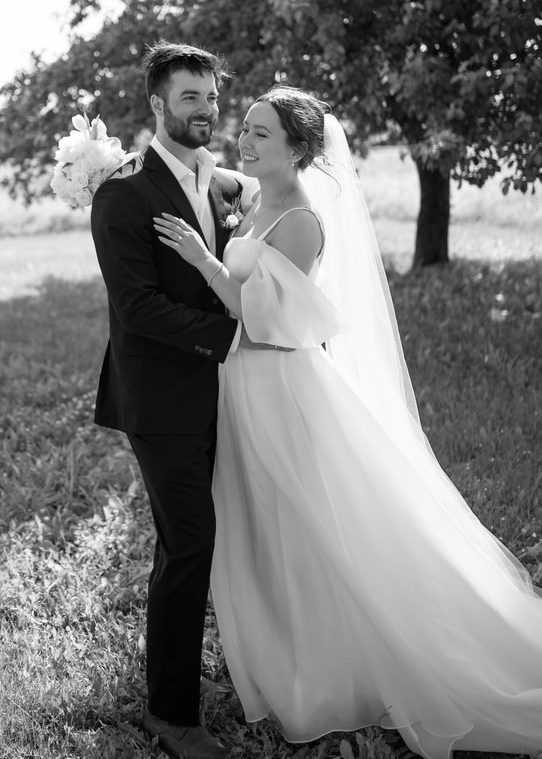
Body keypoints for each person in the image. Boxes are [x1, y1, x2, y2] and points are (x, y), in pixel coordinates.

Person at [154, 85, 542, 759]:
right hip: (242, 388)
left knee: (311, 526)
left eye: (261, 134)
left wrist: (202, 258)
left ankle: (341, 667)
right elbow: (236, 196)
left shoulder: (301, 221)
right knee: (268, 526)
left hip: (279, 386)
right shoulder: (256, 198)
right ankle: (297, 657)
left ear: (300, 148)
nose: (243, 139)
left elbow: (268, 322)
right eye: (244, 127)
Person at [90, 41, 254, 759]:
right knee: (190, 543)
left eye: (212, 98)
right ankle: (171, 712)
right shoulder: (124, 192)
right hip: (160, 400)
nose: (205, 111)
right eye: (190, 98)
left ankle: (223, 666)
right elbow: (137, 307)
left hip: (224, 396)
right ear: (156, 103)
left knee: (205, 538)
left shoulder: (213, 177)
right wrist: (233, 333)